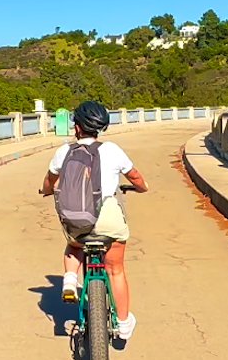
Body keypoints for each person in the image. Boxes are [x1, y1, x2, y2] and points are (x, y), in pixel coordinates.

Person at [40, 101, 149, 341]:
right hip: (108, 220)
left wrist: (45, 190)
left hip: (77, 222)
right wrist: (141, 188)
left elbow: (49, 181)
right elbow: (136, 177)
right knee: (115, 269)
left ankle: (70, 279)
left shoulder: (64, 152)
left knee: (74, 245)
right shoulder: (112, 150)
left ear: (76, 127)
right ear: (100, 128)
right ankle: (122, 324)